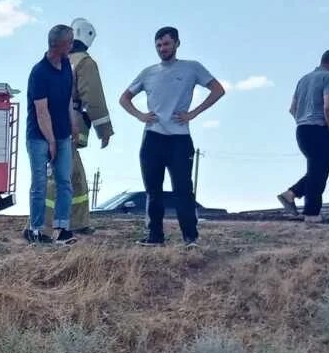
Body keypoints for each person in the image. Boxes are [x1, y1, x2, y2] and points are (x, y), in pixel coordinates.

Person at [119, 26, 226, 246]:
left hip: (179, 139)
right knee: (153, 191)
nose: (162, 49)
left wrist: (193, 113)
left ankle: (190, 238)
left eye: (166, 44)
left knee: (183, 190)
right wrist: (140, 115)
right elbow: (124, 98)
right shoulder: (148, 72)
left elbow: (218, 90)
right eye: (158, 45)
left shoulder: (191, 68)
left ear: (176, 43)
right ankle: (155, 237)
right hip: (152, 138)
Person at [45, 17, 113, 233]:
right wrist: (104, 130)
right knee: (61, 177)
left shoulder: (56, 60)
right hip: (69, 125)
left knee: (76, 178)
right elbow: (93, 98)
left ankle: (78, 223)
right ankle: (45, 224)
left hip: (50, 124)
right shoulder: (85, 63)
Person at [24, 24, 79, 246]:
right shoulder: (39, 73)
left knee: (64, 181)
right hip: (39, 136)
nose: (73, 45)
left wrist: (73, 123)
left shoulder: (67, 65)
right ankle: (35, 230)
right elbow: (41, 111)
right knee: (39, 183)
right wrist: (51, 142)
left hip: (63, 134)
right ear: (60, 45)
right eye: (70, 42)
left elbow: (68, 99)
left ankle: (61, 228)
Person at [279, 49, 329, 223]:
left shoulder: (303, 79)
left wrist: (302, 120)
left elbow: (292, 108)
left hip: (302, 129)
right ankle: (311, 213)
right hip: (318, 128)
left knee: (318, 169)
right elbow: (328, 106)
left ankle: (291, 194)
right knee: (318, 170)